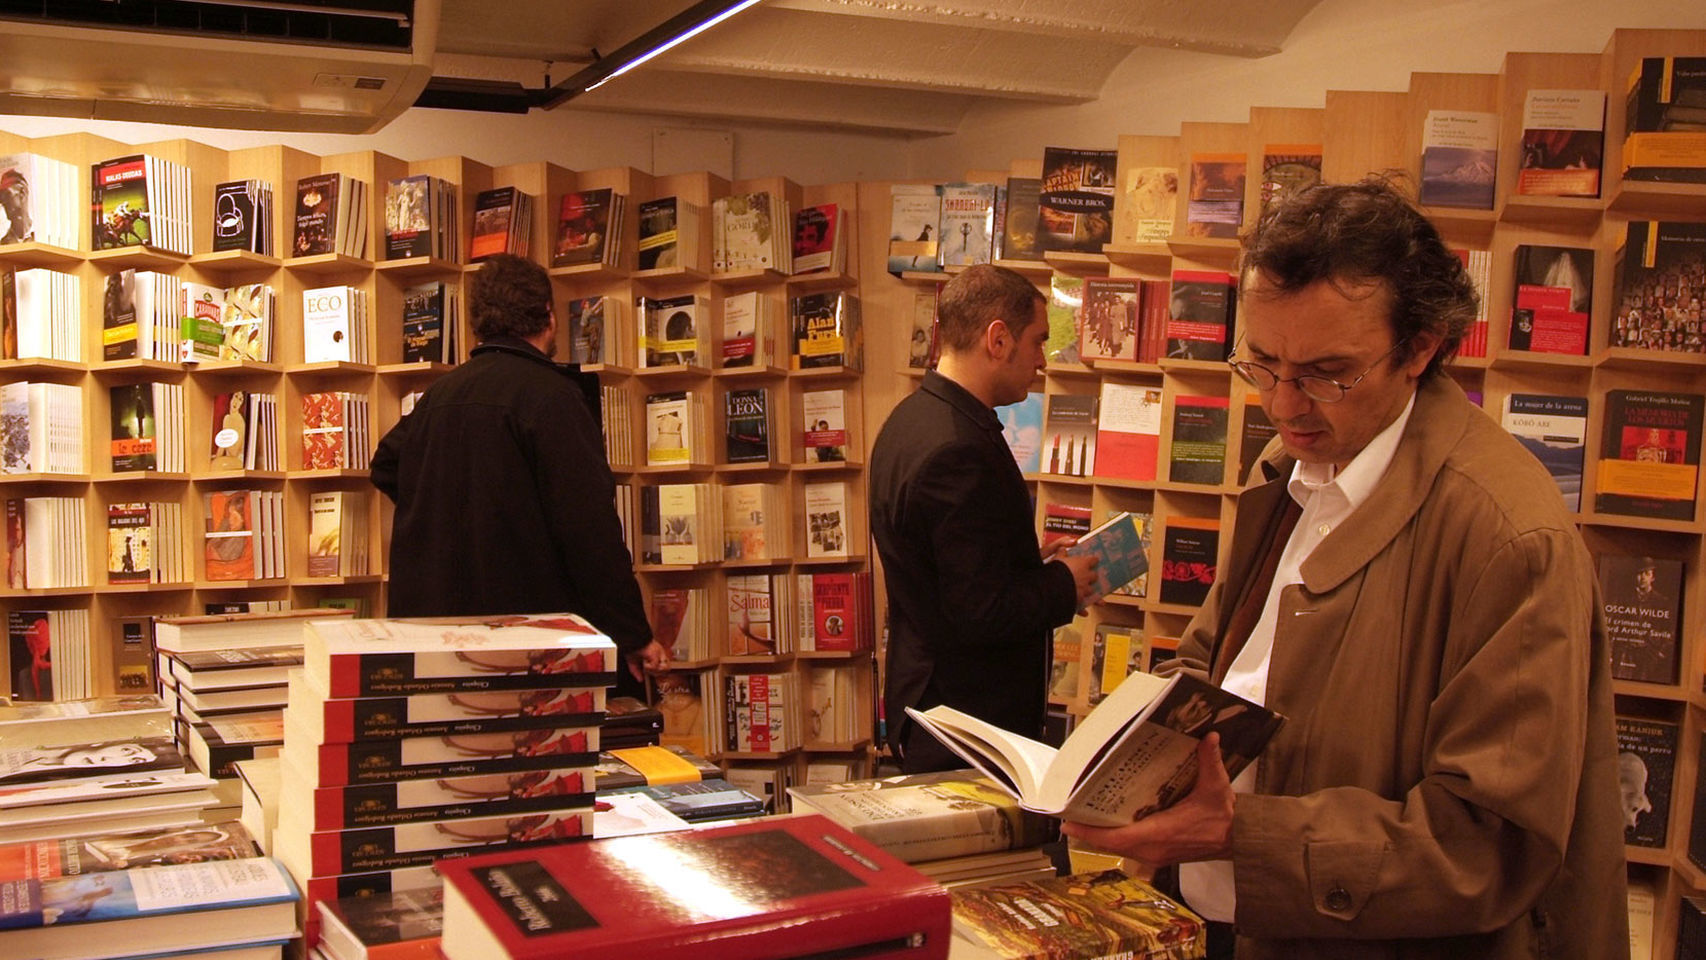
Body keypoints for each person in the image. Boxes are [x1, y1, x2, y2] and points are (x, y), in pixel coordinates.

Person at [1059, 177, 1626, 959]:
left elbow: (1488, 845)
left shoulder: (1508, 535)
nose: (1285, 406)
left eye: (1329, 373)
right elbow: (1215, 658)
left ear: (1420, 349)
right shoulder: (1284, 468)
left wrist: (1240, 833)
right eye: (1263, 363)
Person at [371, 254, 667, 693]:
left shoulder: (440, 394)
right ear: (548, 316)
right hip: (531, 636)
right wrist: (633, 633)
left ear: (479, 321)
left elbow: (385, 464)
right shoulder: (553, 397)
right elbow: (590, 529)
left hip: (436, 635)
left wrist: (453, 511)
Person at [869, 263, 1097, 773]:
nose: (1041, 360)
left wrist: (1021, 561)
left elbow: (945, 570)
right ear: (998, 339)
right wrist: (1065, 584)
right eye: (1037, 341)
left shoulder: (912, 418)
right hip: (964, 724)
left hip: (935, 707)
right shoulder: (956, 448)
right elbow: (977, 611)